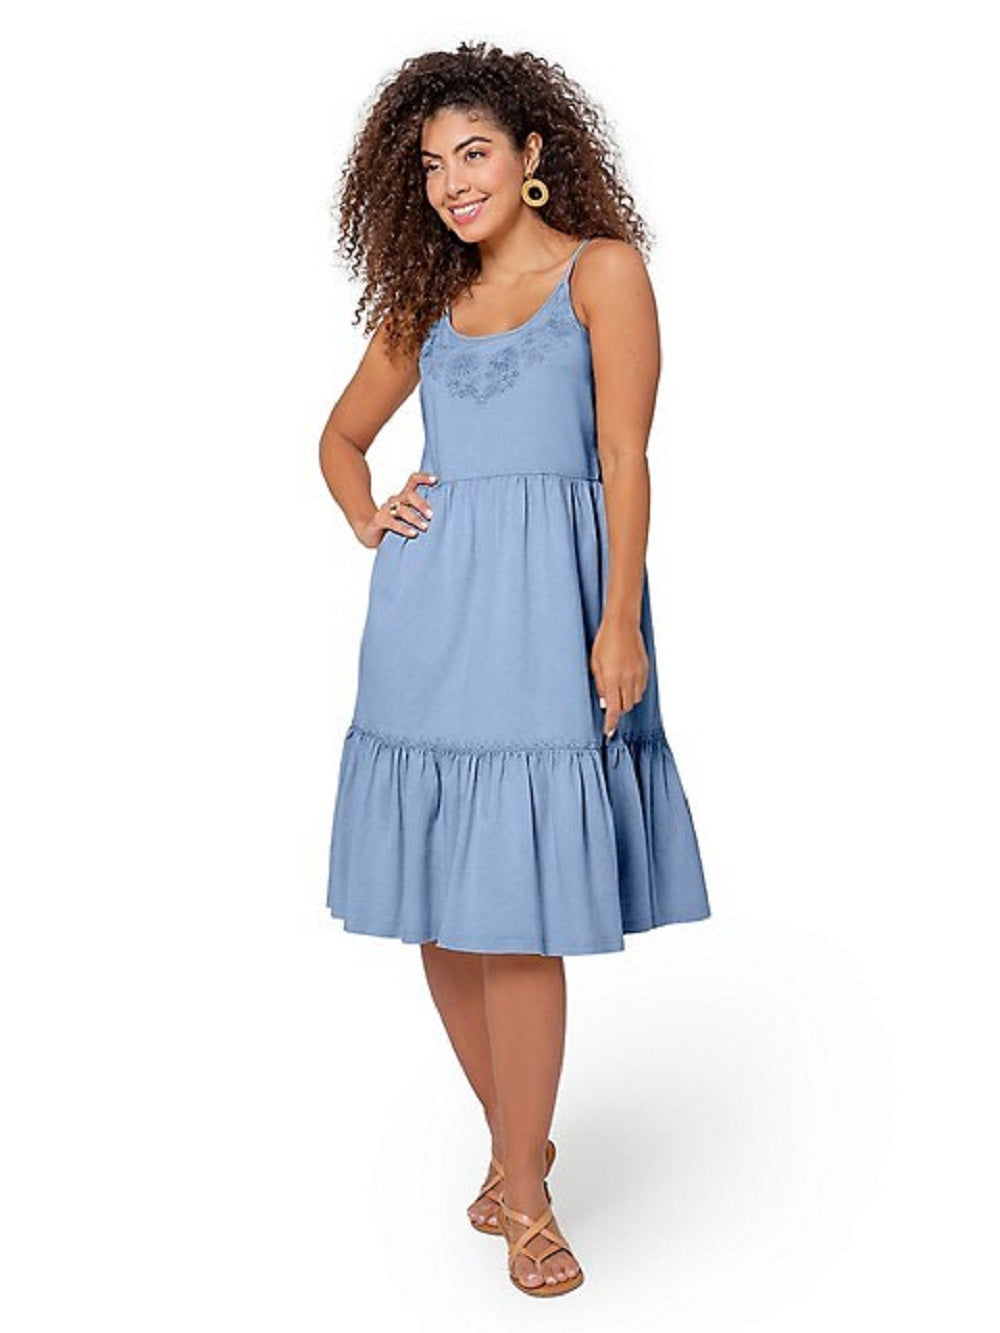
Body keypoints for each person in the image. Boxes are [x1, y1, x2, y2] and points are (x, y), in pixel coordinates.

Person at [319, 40, 711, 1297]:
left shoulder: (603, 272)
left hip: (550, 615)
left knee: (518, 905)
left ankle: (524, 1199)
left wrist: (619, 619)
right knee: (442, 904)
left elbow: (626, 457)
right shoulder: (423, 301)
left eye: (474, 152)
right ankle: (515, 1152)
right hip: (427, 620)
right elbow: (338, 437)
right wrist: (369, 512)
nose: (452, 183)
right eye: (432, 165)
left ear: (533, 152)